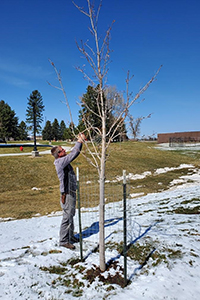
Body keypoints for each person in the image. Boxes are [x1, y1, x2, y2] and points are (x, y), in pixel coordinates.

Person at [51, 133, 86, 250]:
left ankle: (70, 236)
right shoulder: (60, 162)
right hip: (67, 194)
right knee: (67, 216)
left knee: (71, 214)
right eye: (62, 150)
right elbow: (74, 153)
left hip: (70, 192)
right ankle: (64, 240)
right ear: (59, 154)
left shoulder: (62, 161)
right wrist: (80, 141)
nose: (64, 150)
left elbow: (72, 152)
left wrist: (79, 141)